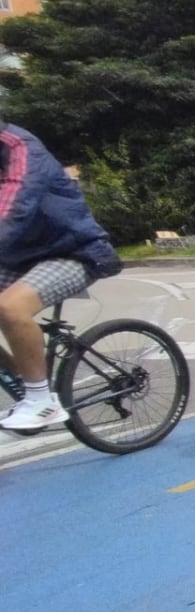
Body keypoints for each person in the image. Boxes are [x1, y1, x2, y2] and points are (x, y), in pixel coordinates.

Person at [0, 121, 125, 432]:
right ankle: (24, 381)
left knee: (9, 308)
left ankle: (40, 400)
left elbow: (14, 207)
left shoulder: (19, 147)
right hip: (16, 255)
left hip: (73, 251)